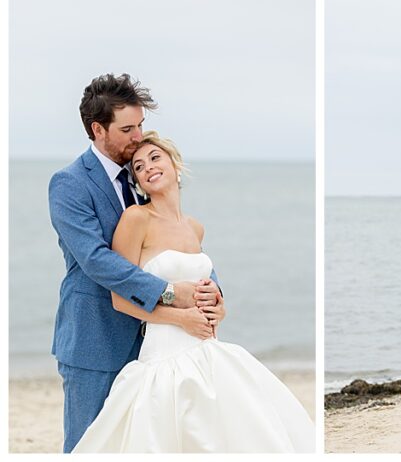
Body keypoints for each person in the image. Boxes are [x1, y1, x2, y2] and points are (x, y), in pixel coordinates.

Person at [72, 131, 314, 452]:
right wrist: (180, 318)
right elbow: (120, 299)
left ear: (176, 164)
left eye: (155, 158)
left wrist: (219, 305)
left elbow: (204, 280)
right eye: (139, 167)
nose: (148, 168)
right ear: (138, 183)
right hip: (164, 352)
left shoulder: (195, 226)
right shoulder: (136, 219)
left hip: (208, 348)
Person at [48, 73, 222, 453]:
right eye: (127, 128)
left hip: (152, 347)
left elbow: (173, 241)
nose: (138, 137)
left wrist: (212, 292)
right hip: (96, 343)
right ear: (98, 129)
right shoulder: (70, 184)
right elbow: (96, 260)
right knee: (90, 448)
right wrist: (174, 294)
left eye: (140, 125)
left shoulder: (142, 174)